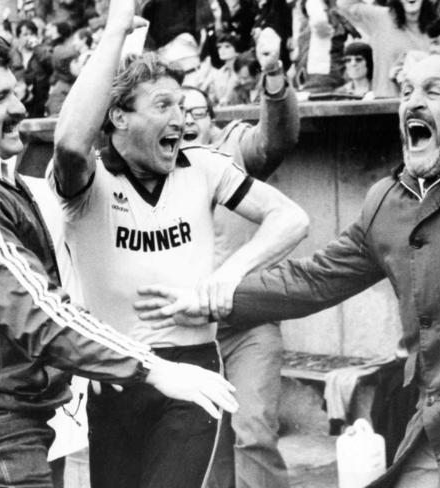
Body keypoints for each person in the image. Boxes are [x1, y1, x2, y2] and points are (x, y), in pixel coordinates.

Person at [135, 53, 440, 488]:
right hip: (435, 420)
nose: (412, 100)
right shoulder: (386, 203)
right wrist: (215, 297)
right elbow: (313, 279)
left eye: (433, 91)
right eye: (406, 90)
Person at [0, 29, 237, 488]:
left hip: (6, 419)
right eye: (0, 97)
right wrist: (146, 366)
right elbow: (35, 310)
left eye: (18, 93)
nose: (21, 108)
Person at [50, 1, 309, 488]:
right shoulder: (88, 179)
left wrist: (228, 273)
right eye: (163, 106)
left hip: (193, 368)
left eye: (183, 105)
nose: (182, 119)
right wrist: (117, 29)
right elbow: (68, 141)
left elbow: (290, 217)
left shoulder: (204, 166)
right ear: (119, 117)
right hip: (117, 374)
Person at [180, 25, 299, 488]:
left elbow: (278, 138)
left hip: (248, 323)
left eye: (197, 111)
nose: (187, 120)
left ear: (214, 119)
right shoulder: (155, 166)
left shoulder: (234, 151)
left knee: (253, 432)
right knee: (207, 448)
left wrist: (271, 72)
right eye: (176, 110)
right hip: (191, 332)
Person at [337, 0, 434, 98]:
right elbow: (344, 4)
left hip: (424, 105)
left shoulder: (436, 26)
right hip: (386, 102)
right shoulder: (382, 17)